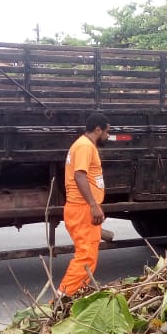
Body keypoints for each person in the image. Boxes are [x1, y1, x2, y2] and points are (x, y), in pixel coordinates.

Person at [58, 112, 110, 296]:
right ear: (98, 129)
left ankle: (73, 298)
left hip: (82, 207)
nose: (108, 135)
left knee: (88, 256)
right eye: (106, 131)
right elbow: (79, 175)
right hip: (82, 209)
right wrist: (93, 206)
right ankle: (61, 300)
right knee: (85, 258)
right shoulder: (84, 146)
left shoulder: (84, 145)